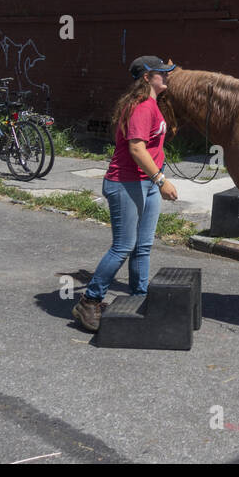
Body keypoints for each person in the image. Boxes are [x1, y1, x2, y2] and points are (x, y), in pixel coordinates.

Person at [72, 55, 180, 331]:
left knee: (142, 247)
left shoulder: (153, 103)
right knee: (123, 247)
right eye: (161, 73)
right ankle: (89, 300)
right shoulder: (142, 106)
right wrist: (161, 180)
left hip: (146, 183)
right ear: (147, 78)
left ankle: (140, 298)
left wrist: (155, 179)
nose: (166, 76)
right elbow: (136, 149)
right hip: (126, 182)